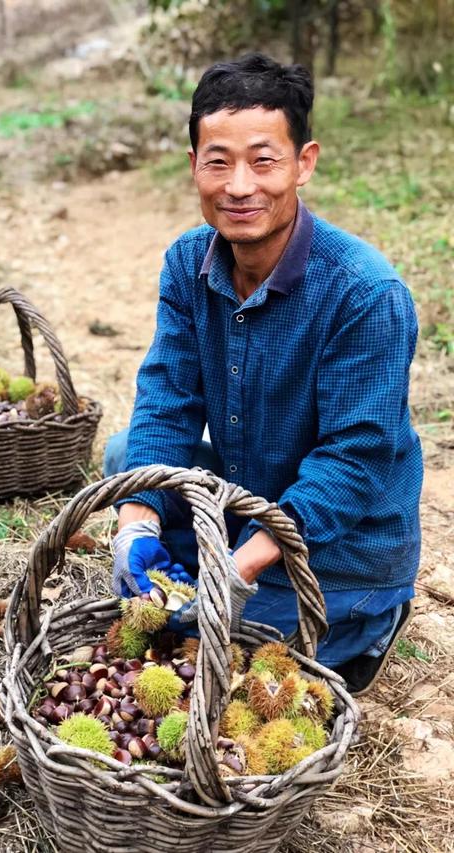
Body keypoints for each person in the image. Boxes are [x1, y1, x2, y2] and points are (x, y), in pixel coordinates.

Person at [104, 53, 422, 695]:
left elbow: (353, 463)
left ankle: (368, 619)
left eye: (264, 160)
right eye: (218, 161)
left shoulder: (365, 292)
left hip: (343, 548)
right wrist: (135, 522)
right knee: (127, 460)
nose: (239, 185)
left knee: (203, 644)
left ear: (304, 162)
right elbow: (167, 396)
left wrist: (236, 566)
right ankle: (217, 568)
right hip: (250, 496)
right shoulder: (190, 261)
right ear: (194, 165)